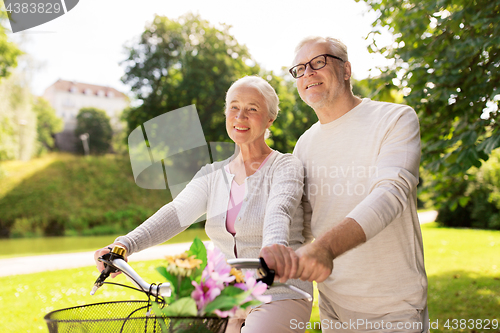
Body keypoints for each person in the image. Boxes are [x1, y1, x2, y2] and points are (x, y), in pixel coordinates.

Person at [94, 75, 313, 333]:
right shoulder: (212, 175)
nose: (240, 116)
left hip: (280, 291)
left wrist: (272, 250)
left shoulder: (285, 166)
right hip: (226, 296)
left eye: (252, 109)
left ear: (269, 119)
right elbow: (176, 213)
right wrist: (124, 244)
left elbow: (280, 211)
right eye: (234, 107)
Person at [260, 36, 429, 333]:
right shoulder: (304, 144)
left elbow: (391, 193)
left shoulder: (395, 118)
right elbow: (304, 223)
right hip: (333, 307)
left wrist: (325, 248)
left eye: (318, 62)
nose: (308, 73)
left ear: (346, 70)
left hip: (393, 308)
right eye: (299, 69)